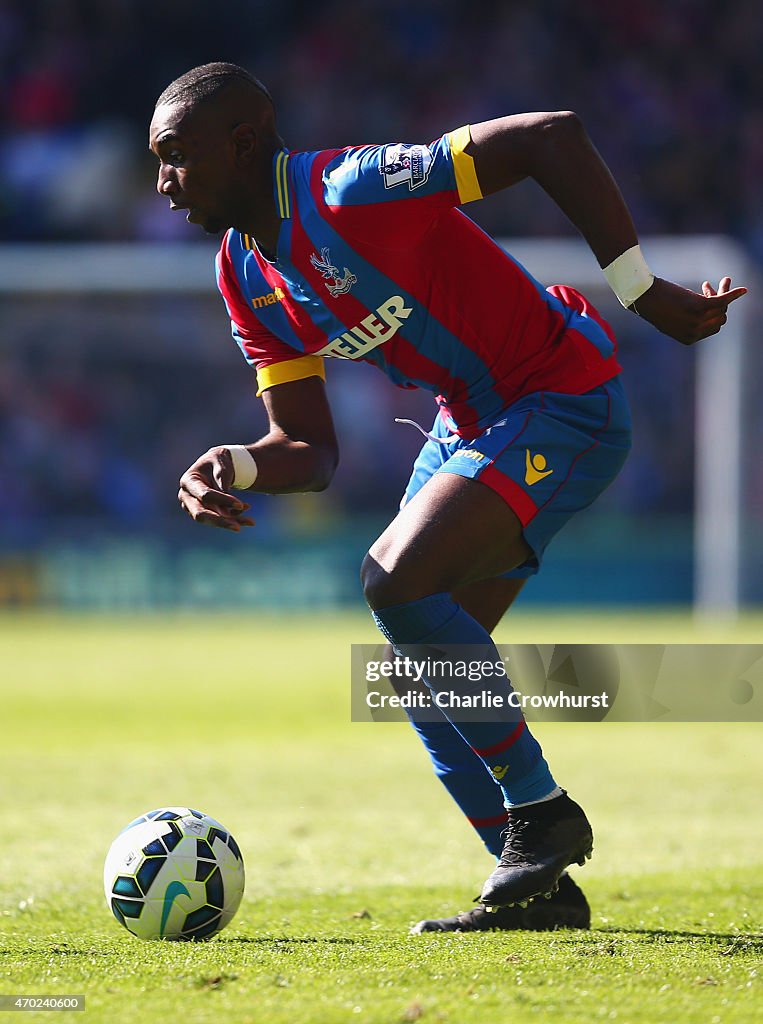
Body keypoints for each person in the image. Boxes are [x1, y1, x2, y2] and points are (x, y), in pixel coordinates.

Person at [149, 62, 746, 933]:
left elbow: (552, 135)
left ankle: (542, 814)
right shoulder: (244, 275)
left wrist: (638, 289)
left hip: (560, 394)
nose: (163, 185)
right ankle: (538, 891)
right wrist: (232, 466)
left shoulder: (349, 191)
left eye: (176, 157)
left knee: (392, 579)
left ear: (241, 146)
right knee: (421, 678)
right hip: (469, 421)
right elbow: (308, 451)